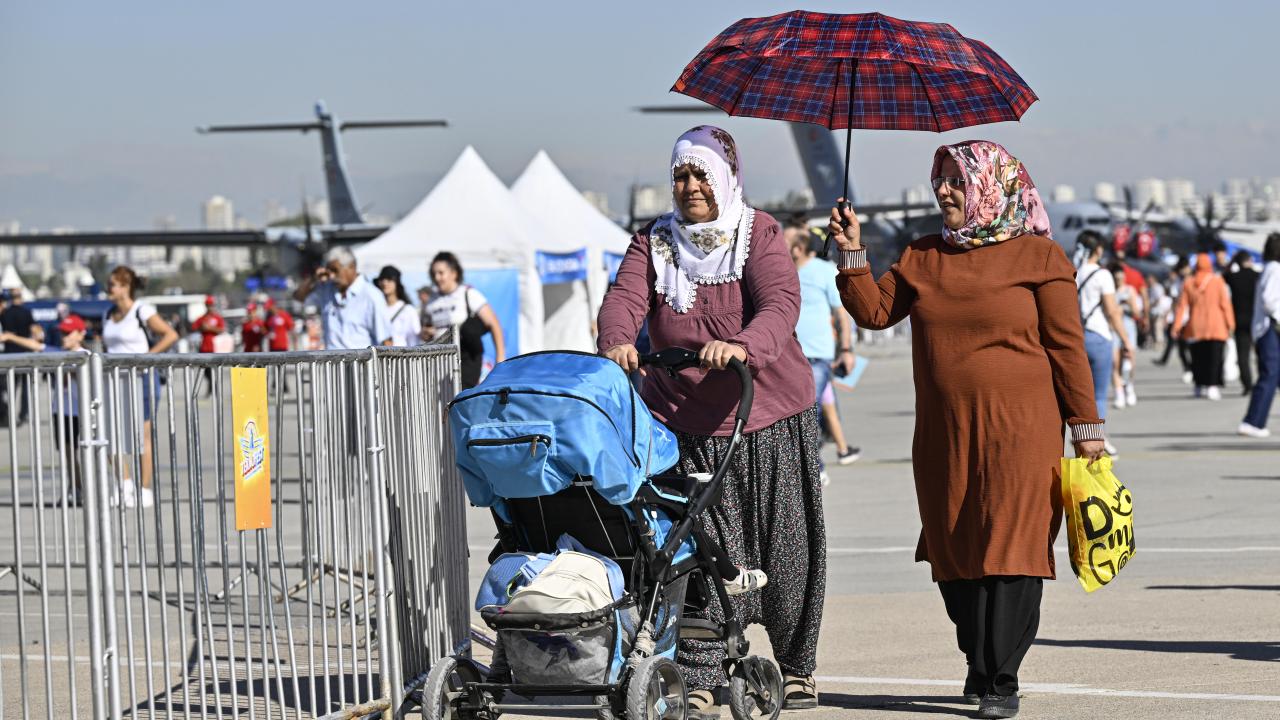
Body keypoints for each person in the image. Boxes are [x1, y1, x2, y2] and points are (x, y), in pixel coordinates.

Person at [831, 140, 1103, 719]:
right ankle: (979, 662)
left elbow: (1066, 347)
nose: (944, 190)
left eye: (957, 180)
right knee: (954, 542)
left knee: (1013, 543)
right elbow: (874, 312)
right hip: (945, 432)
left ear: (990, 187)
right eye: (941, 180)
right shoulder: (923, 256)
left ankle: (1002, 678)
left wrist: (1086, 425)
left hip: (1023, 430)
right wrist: (852, 251)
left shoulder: (1039, 256)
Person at [597, 126, 824, 716]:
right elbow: (623, 299)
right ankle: (699, 670)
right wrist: (617, 340)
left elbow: (780, 303)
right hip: (685, 423)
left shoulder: (758, 233)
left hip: (767, 416)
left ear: (725, 178)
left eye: (702, 174)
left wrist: (743, 345)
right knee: (697, 552)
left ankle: (795, 665)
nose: (691, 186)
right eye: (681, 175)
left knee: (786, 548)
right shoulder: (653, 243)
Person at [102, 265, 179, 509]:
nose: (109, 288)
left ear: (126, 287)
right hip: (115, 378)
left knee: (142, 433)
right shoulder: (108, 314)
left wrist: (146, 358)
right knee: (111, 433)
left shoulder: (141, 310)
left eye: (113, 284)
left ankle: (144, 488)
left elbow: (170, 335)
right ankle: (124, 484)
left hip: (141, 377)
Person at [788, 223, 859, 483]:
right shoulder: (783, 272)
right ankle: (836, 451)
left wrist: (846, 349)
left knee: (808, 411)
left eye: (786, 242)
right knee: (808, 409)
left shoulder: (824, 271)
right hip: (789, 355)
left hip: (817, 355)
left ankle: (815, 468)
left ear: (798, 248)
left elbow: (841, 313)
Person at [2, 314, 90, 504]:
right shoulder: (59, 352)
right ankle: (76, 487)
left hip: (83, 411)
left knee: (89, 451)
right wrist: (10, 337)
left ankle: (103, 487)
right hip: (62, 411)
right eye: (62, 333)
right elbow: (36, 346)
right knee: (68, 452)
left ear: (80, 334)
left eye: (68, 333)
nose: (64, 337)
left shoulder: (86, 356)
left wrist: (72, 370)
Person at [1074, 231, 1135, 456]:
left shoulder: (1073, 272)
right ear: (1098, 249)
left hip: (1077, 336)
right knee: (1098, 394)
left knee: (1080, 393)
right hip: (1099, 336)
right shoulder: (1102, 275)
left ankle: (1080, 438)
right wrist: (1126, 340)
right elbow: (1111, 311)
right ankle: (1098, 438)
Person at [424, 252, 505, 388]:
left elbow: (494, 323)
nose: (437, 278)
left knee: (461, 396)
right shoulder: (431, 300)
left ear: (454, 273)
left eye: (441, 273)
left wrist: (500, 359)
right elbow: (426, 329)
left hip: (466, 358)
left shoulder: (468, 293)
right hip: (439, 360)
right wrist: (426, 333)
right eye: (434, 274)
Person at [293, 246, 393, 350]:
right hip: (331, 359)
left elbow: (386, 340)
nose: (331, 276)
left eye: (335, 270)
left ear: (351, 267)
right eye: (329, 271)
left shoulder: (372, 295)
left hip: (361, 360)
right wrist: (313, 278)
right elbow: (298, 297)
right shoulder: (326, 289)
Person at [1173, 254, 1235, 400]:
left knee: (1198, 358)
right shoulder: (1217, 281)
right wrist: (1230, 323)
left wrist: (1176, 326)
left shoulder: (1189, 282)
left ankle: (1199, 385)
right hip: (1216, 325)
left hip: (1195, 326)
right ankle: (1212, 386)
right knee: (1214, 358)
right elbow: (1225, 304)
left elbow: (1182, 307)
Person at [1239, 234, 1280, 437]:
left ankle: (1254, 421)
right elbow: (1269, 300)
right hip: (1270, 328)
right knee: (1269, 373)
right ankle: (1253, 421)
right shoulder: (1275, 270)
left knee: (1273, 374)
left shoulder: (1268, 269)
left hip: (1265, 328)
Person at [0, 286, 42, 425]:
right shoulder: (27, 312)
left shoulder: (5, 313)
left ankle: (7, 413)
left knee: (10, 387)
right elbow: (35, 331)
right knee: (25, 386)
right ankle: (23, 414)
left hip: (10, 354)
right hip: (25, 352)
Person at [1223, 250, 1260, 395]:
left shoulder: (1233, 277)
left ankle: (1248, 385)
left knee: (1243, 356)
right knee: (1262, 353)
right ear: (1250, 261)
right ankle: (1265, 381)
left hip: (1239, 321)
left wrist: (1232, 262)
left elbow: (1224, 275)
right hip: (1257, 320)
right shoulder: (1257, 276)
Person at [1110, 263, 1143, 409]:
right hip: (1113, 329)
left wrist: (1129, 304)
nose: (1119, 281)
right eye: (1116, 279)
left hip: (1128, 328)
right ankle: (1119, 394)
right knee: (1115, 362)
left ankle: (1129, 385)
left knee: (1129, 361)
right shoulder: (1110, 292)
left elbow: (1137, 313)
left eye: (1121, 278)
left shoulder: (1130, 290)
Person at [375, 265, 423, 347]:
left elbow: (414, 341)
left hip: (402, 354)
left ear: (396, 283)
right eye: (382, 279)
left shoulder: (408, 310)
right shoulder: (376, 309)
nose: (385, 283)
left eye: (389, 279)